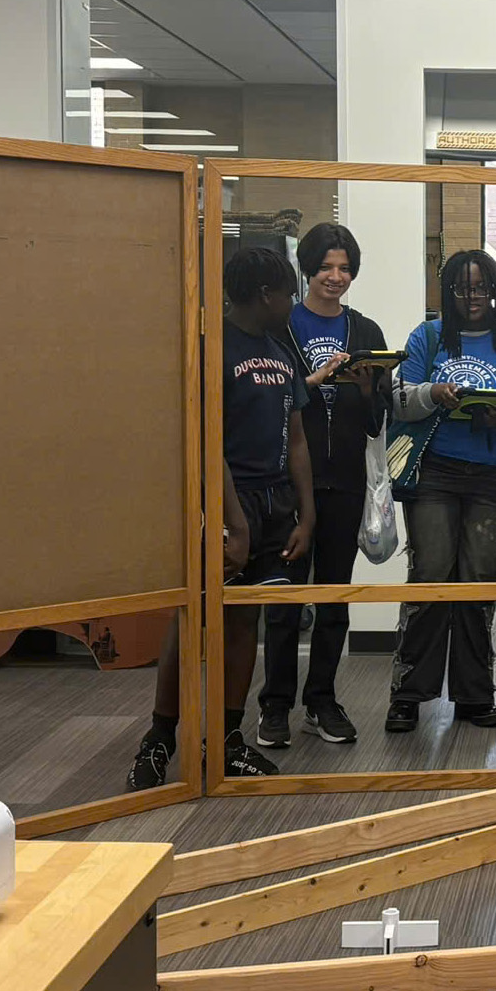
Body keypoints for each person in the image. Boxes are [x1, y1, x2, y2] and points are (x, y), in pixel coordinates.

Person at [128, 247, 316, 787]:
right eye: (288, 292)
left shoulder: (282, 350)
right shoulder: (212, 350)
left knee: (244, 619)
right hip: (221, 500)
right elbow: (208, 445)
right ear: (266, 294)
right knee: (191, 620)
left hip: (273, 503)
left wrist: (307, 514)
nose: (293, 302)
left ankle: (226, 739)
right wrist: (232, 521)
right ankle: (161, 737)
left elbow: (297, 438)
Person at [386, 250, 496, 733]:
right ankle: (409, 693)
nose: (471, 297)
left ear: (495, 291)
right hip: (434, 472)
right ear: (448, 292)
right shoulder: (427, 337)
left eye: (480, 288)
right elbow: (397, 399)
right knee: (431, 576)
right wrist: (432, 393)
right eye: (461, 288)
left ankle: (475, 694)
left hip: (495, 476)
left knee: (479, 581)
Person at [258, 223, 388, 750]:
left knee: (335, 597)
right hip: (284, 484)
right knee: (285, 599)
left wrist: (366, 390)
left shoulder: (366, 332)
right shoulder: (279, 326)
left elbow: (380, 419)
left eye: (345, 268)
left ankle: (322, 700)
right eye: (326, 267)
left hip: (346, 479)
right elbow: (266, 402)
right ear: (306, 270)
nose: (336, 277)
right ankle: (274, 706)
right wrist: (306, 385)